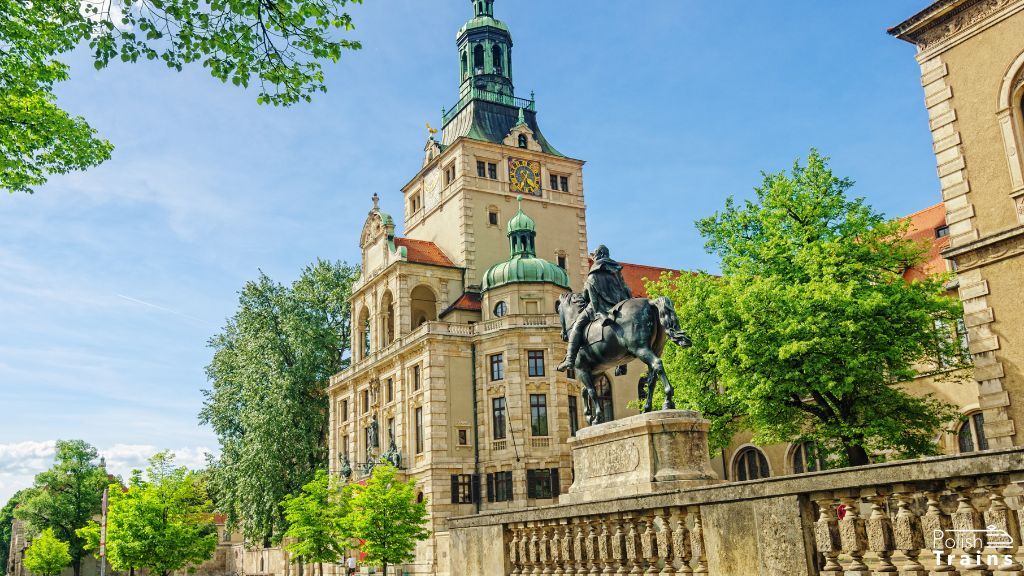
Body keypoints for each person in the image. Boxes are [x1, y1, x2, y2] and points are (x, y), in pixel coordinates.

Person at [557, 245, 632, 372]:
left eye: (595, 255)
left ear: (599, 256)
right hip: (617, 307)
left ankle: (569, 359)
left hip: (599, 308)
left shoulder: (593, 275)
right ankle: (622, 364)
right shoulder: (615, 274)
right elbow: (626, 292)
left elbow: (587, 296)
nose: (594, 257)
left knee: (576, 327)